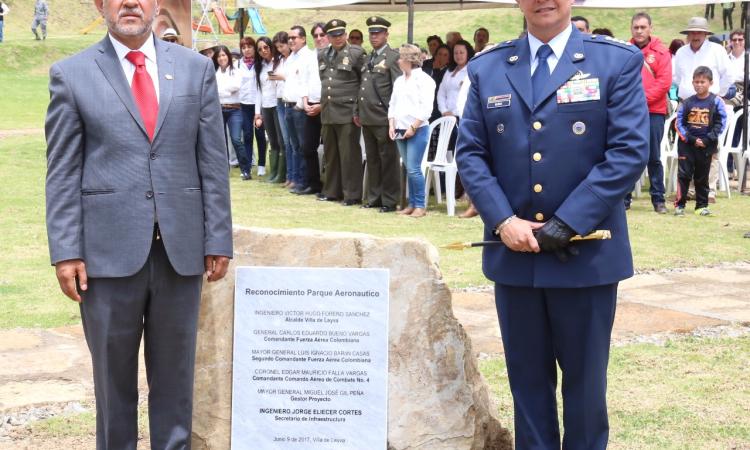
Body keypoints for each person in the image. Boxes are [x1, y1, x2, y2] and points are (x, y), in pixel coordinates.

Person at [455, 0, 649, 448]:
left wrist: (568, 221)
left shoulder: (614, 61)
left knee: (584, 389)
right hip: (514, 253)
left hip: (586, 252)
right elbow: (472, 153)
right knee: (526, 386)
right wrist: (502, 220)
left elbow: (627, 151)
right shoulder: (489, 67)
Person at [44, 0, 232, 448]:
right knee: (113, 385)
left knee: (175, 379)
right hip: (105, 256)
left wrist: (218, 236)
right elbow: (63, 171)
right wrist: (67, 249)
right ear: (100, 5)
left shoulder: (194, 69)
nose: (131, 3)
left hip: (180, 252)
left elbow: (212, 161)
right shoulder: (71, 73)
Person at [673, 17, 734, 204]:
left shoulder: (716, 50)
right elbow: (677, 77)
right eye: (692, 32)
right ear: (688, 34)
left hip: (710, 102)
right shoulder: (682, 52)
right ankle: (690, 190)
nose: (695, 35)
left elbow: (728, 75)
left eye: (699, 32)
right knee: (688, 145)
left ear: (706, 34)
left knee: (709, 146)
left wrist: (717, 96)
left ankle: (709, 191)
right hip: (687, 103)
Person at [354, 16, 402, 212]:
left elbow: (398, 89)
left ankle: (389, 200)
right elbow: (362, 87)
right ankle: (375, 197)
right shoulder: (369, 57)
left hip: (384, 117)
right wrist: (357, 110)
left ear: (386, 35)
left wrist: (394, 117)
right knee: (373, 159)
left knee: (388, 160)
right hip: (367, 116)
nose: (374, 37)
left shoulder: (392, 57)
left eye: (378, 33)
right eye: (371, 33)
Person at [315, 19, 366, 203]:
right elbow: (325, 80)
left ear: (345, 35)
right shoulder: (322, 54)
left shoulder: (355, 52)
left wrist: (358, 109)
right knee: (331, 154)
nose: (338, 38)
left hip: (347, 112)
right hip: (328, 111)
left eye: (341, 35)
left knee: (349, 155)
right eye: (334, 36)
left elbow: (364, 82)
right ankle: (332, 191)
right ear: (328, 37)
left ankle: (352, 195)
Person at [625, 11, 671, 214]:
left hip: (653, 110)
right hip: (628, 111)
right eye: (636, 27)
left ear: (650, 28)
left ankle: (658, 200)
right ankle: (624, 199)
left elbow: (664, 83)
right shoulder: (624, 50)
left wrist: (640, 100)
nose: (639, 31)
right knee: (626, 154)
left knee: (653, 157)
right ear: (631, 29)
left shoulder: (662, 52)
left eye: (643, 27)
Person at [389, 44, 436, 218]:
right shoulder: (399, 80)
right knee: (408, 167)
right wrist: (391, 123)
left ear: (409, 60)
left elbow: (426, 109)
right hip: (400, 127)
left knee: (415, 168)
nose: (399, 61)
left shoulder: (424, 80)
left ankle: (420, 205)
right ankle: (412, 204)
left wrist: (413, 127)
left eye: (401, 58)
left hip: (418, 129)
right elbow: (392, 103)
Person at [675, 66, 727, 217]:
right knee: (684, 175)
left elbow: (721, 122)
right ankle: (680, 205)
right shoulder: (687, 102)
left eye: (702, 82)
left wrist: (707, 140)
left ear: (710, 83)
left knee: (702, 176)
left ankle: (701, 205)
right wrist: (691, 139)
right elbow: (679, 123)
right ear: (692, 83)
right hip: (687, 146)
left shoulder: (716, 101)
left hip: (707, 146)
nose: (699, 85)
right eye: (696, 82)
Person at [437, 39, 476, 218]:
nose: (458, 55)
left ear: (468, 53)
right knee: (450, 155)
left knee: (463, 156)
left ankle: (465, 192)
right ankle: (454, 189)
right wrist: (445, 111)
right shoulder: (450, 71)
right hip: (447, 119)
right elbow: (441, 93)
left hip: (463, 119)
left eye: (461, 52)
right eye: (456, 52)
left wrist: (456, 114)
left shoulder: (472, 70)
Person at [281, 25, 317, 192]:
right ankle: (296, 179)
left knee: (303, 146)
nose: (291, 40)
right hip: (288, 105)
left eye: (294, 37)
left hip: (300, 107)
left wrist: (299, 105)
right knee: (295, 146)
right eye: (289, 38)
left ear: (303, 39)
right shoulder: (291, 58)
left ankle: (304, 181)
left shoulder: (308, 57)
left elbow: (308, 83)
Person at [214, 46, 250, 180]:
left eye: (224, 55)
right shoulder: (214, 72)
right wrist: (225, 91)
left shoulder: (236, 71)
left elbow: (236, 86)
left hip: (234, 109)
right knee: (221, 140)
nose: (222, 58)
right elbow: (212, 90)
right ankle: (224, 170)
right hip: (219, 109)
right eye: (219, 56)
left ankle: (245, 170)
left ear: (228, 56)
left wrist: (221, 90)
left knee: (236, 139)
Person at [254, 36, 285, 184]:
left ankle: (281, 174)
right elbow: (258, 90)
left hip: (277, 104)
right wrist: (257, 111)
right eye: (260, 49)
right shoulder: (260, 65)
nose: (263, 51)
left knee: (281, 139)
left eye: (265, 47)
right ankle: (273, 173)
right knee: (272, 140)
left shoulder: (279, 62)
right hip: (265, 106)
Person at [239, 36, 268, 176]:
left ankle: (262, 164)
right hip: (244, 105)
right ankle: (248, 165)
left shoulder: (260, 63)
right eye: (244, 48)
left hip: (259, 104)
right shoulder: (238, 64)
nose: (247, 50)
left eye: (249, 47)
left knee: (260, 134)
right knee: (248, 135)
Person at [267, 31, 291, 184]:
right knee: (284, 140)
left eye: (282, 46)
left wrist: (283, 77)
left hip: (290, 100)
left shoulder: (294, 59)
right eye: (278, 47)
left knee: (289, 140)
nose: (280, 49)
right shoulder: (280, 60)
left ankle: (288, 175)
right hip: (279, 100)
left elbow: (298, 78)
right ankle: (285, 174)